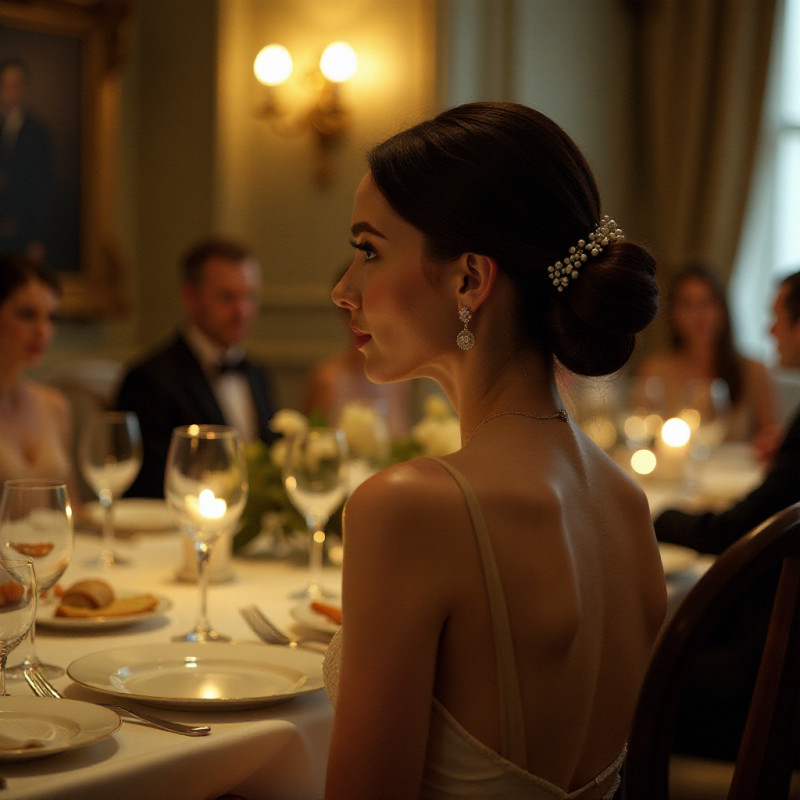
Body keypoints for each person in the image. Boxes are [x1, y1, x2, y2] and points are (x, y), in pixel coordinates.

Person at [324, 102, 666, 799]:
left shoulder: (409, 507)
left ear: (470, 281)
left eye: (369, 250)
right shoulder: (627, 504)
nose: (341, 291)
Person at [654, 269, 800, 761]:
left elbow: (738, 529)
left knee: (640, 677)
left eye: (778, 318)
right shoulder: (659, 368)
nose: (770, 330)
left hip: (776, 680)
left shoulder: (752, 372)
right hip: (769, 625)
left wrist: (658, 516)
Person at [115, 237, 278, 498]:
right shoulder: (148, 379)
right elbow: (149, 487)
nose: (243, 311)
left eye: (249, 296)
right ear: (190, 297)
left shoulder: (258, 373)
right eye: (227, 297)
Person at [636, 264, 779, 444]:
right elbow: (645, 439)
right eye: (687, 305)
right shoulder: (655, 370)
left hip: (736, 471)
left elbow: (771, 444)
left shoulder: (753, 371)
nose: (699, 315)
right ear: (673, 314)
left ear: (722, 310)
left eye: (707, 303)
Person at [0, 253, 78, 500]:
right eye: (27, 315)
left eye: (51, 318)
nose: (42, 331)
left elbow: (71, 508)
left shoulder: (54, 405)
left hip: (51, 539)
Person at [0, 59, 54, 264]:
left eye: (17, 85)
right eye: (6, 86)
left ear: (25, 89)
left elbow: (43, 189)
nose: (11, 92)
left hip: (24, 233)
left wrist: (37, 238)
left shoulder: (38, 132)